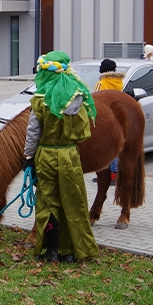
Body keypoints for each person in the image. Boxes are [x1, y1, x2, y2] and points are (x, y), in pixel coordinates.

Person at [23, 51, 99, 263]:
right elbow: (84, 131)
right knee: (73, 202)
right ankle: (72, 252)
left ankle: (53, 250)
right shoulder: (78, 97)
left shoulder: (40, 101)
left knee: (48, 202)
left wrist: (28, 157)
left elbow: (33, 133)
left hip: (46, 155)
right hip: (69, 156)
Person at [93, 58, 124, 185]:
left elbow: (96, 101)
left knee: (105, 148)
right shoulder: (119, 82)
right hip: (118, 117)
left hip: (106, 118)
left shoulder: (102, 83)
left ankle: (109, 175)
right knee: (115, 147)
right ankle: (115, 175)